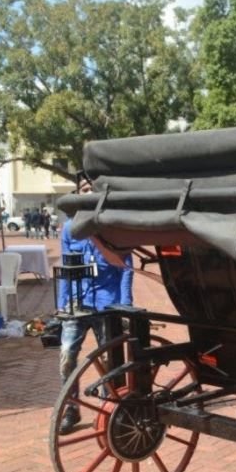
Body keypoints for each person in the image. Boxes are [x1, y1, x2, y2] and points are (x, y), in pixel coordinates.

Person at [57, 180, 135, 434]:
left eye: (92, 189)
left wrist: (125, 304)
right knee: (67, 357)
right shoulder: (70, 228)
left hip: (107, 303)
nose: (88, 194)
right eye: (84, 190)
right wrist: (63, 304)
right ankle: (71, 409)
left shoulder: (112, 227)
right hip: (79, 304)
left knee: (108, 359)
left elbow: (125, 267)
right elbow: (67, 269)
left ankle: (108, 410)